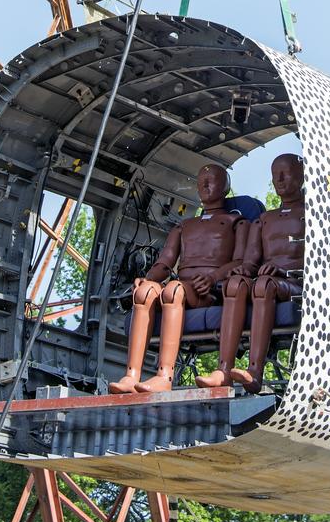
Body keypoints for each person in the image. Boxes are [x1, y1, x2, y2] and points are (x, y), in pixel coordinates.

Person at [109, 163, 247, 394]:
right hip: (181, 286)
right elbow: (166, 261)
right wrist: (148, 278)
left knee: (173, 290)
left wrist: (214, 277)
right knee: (145, 293)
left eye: (211, 180)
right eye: (201, 181)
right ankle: (131, 375)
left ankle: (165, 375)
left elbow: (241, 261)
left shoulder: (236, 223)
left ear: (225, 186)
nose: (204, 185)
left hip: (208, 292)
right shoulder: (185, 225)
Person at [196, 152, 304, 393]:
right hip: (267, 282)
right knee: (237, 284)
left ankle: (255, 371)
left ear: (302, 176)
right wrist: (232, 273)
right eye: (276, 175)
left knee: (263, 285)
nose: (280, 180)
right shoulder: (263, 220)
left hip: (297, 284)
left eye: (286, 174)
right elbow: (250, 262)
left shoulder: (313, 216)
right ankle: (224, 370)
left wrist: (281, 272)